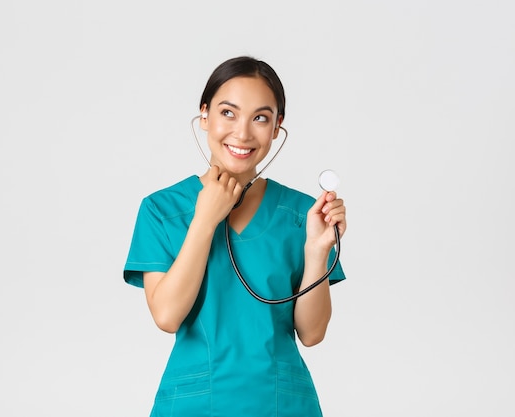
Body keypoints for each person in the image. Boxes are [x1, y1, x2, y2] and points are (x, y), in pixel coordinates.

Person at [123, 55, 347, 416]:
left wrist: (317, 249)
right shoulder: (161, 210)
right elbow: (166, 316)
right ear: (205, 115)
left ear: (277, 127)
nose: (243, 133)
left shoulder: (302, 215)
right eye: (228, 113)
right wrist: (205, 220)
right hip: (195, 405)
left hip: (282, 405)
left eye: (260, 118)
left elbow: (312, 332)